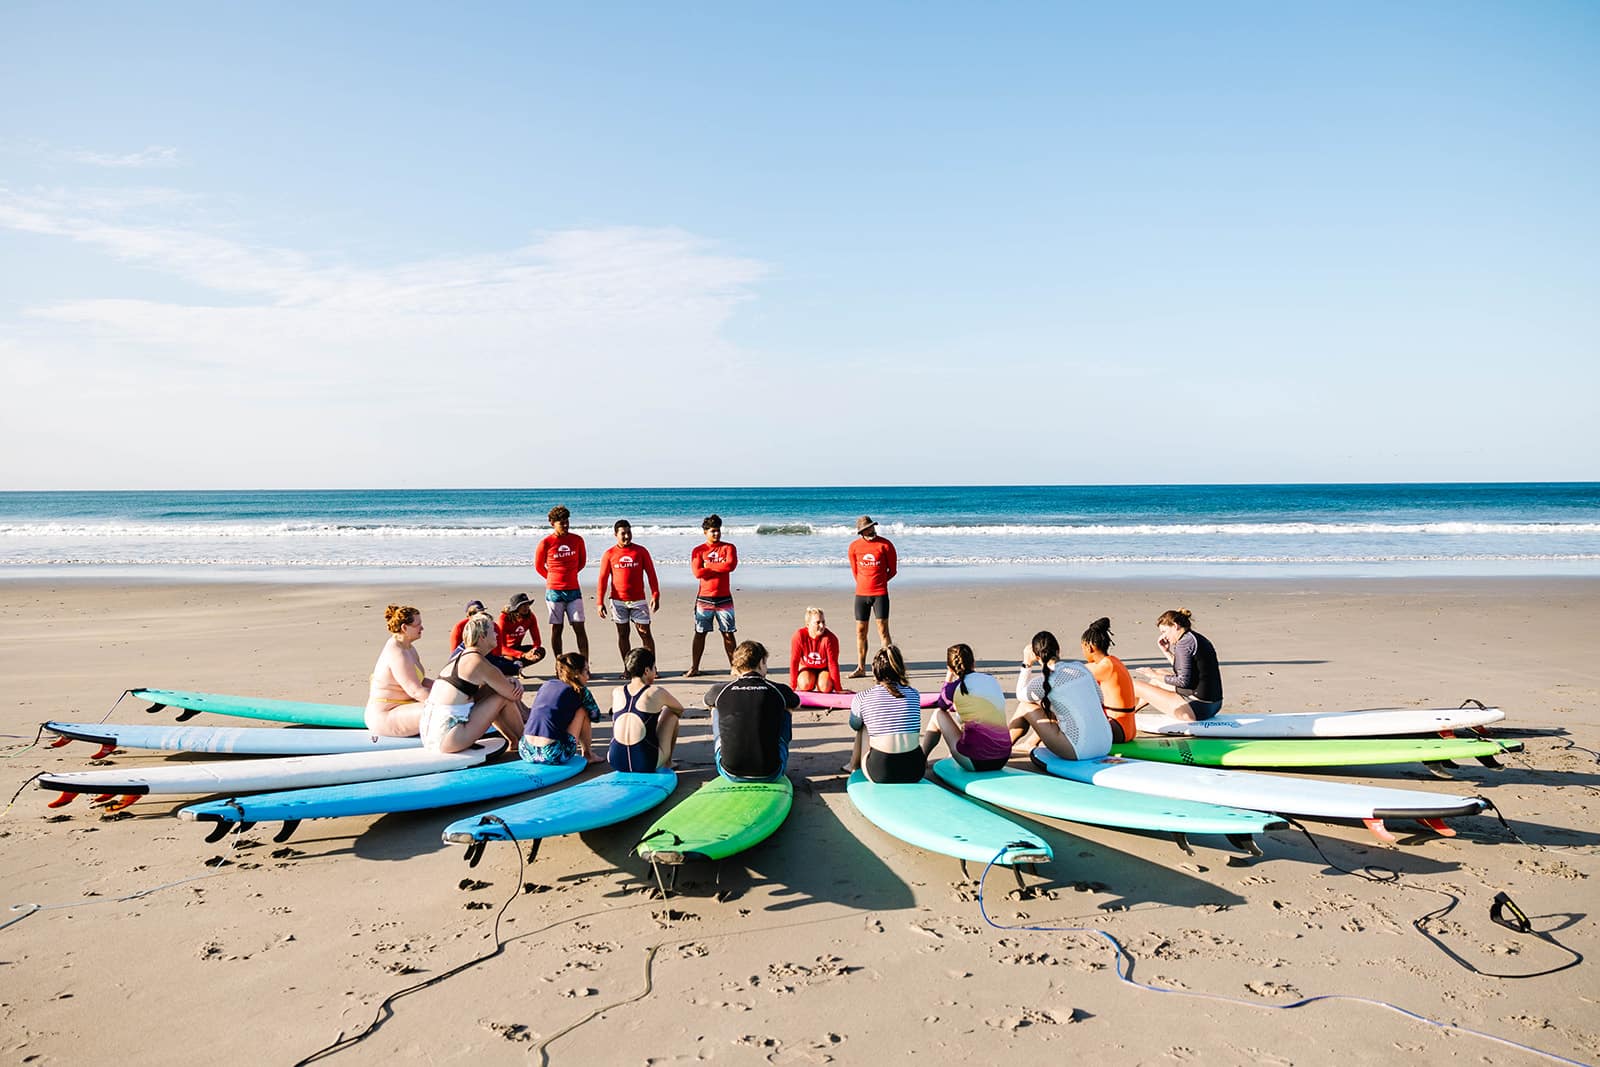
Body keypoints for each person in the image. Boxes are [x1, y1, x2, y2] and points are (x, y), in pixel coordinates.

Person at [419, 612, 527, 753]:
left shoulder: (461, 656)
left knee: (494, 691)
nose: (496, 634)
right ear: (482, 636)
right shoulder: (477, 661)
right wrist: (514, 683)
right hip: (447, 737)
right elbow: (513, 695)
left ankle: (514, 742)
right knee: (503, 697)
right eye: (492, 631)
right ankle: (527, 742)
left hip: (431, 735)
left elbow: (485, 693)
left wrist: (507, 681)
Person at [1010, 631, 1113, 761]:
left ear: (1036, 657)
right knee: (1056, 704)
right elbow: (1100, 699)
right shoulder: (1081, 668)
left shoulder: (1046, 681)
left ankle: (999, 750)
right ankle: (1028, 743)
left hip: (1079, 750)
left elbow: (1020, 695)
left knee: (1024, 706)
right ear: (1058, 650)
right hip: (1106, 744)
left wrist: (1026, 664)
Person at [710, 640, 798, 782]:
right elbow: (796, 703)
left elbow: (706, 701)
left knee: (715, 708)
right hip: (771, 772)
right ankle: (769, 754)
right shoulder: (779, 689)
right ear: (761, 662)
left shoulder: (720, 689)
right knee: (786, 708)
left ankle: (732, 753)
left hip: (730, 772)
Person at [922, 643, 1013, 771]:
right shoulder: (990, 679)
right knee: (971, 719)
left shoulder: (953, 688)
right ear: (973, 663)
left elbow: (942, 705)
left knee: (938, 714)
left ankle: (921, 759)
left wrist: (948, 678)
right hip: (1003, 758)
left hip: (975, 762)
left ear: (950, 668)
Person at [845, 645, 925, 783]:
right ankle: (853, 765)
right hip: (916, 770)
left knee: (863, 725)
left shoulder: (863, 697)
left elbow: (854, 725)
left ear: (874, 670)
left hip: (881, 772)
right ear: (900, 669)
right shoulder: (914, 694)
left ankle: (853, 765)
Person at [1131, 609, 1224, 722]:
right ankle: (1132, 712)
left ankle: (1123, 716)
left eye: (1164, 631)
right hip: (1214, 705)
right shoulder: (1193, 638)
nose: (1164, 636)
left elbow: (1183, 681)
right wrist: (1166, 651)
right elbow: (1183, 669)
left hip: (1196, 709)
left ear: (1175, 626)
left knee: (1136, 685)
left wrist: (1153, 674)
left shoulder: (1183, 645)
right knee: (1159, 675)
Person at [606, 647, 685, 772]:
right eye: (654, 668)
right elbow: (679, 709)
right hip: (646, 763)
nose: (655, 672)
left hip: (616, 761)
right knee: (671, 714)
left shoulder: (617, 692)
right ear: (647, 670)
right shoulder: (656, 692)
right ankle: (668, 763)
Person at [519, 652, 605, 765]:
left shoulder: (547, 685)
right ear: (576, 674)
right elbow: (595, 716)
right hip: (552, 753)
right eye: (586, 671)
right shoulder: (580, 691)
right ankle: (588, 754)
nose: (588, 676)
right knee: (582, 711)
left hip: (525, 750)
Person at [595, 519, 660, 666]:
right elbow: (603, 579)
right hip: (618, 601)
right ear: (615, 535)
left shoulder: (641, 551)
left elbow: (651, 574)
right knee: (623, 634)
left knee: (645, 633)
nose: (627, 536)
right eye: (623, 533)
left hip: (638, 600)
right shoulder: (609, 554)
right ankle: (628, 668)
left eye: (629, 533)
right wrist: (599, 602)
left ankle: (651, 667)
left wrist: (655, 595)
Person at [365, 604, 431, 737]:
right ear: (404, 628)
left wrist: (449, 688)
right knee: (440, 710)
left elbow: (421, 681)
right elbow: (415, 691)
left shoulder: (408, 648)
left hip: (404, 708)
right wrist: (447, 701)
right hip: (386, 715)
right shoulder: (397, 652)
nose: (422, 628)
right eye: (418, 625)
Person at [535, 505, 588, 661]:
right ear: (552, 523)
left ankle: (585, 664)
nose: (565, 525)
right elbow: (539, 566)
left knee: (579, 627)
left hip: (573, 590)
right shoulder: (546, 543)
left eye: (567, 522)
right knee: (557, 628)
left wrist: (570, 575)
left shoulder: (577, 540)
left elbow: (582, 562)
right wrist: (553, 578)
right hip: (554, 592)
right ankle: (559, 664)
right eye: (561, 523)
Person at [687, 514, 738, 677]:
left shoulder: (729, 548)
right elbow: (697, 573)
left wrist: (708, 566)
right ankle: (695, 667)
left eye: (718, 530)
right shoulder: (698, 550)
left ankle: (735, 667)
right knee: (700, 633)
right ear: (705, 532)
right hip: (704, 598)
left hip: (724, 598)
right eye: (713, 531)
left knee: (728, 633)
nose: (716, 534)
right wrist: (717, 566)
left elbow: (730, 566)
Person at [847, 515, 897, 678]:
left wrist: (879, 582)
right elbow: (855, 571)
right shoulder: (854, 547)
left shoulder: (886, 545)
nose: (870, 530)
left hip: (880, 594)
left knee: (883, 630)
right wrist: (865, 584)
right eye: (866, 529)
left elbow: (892, 570)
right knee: (860, 631)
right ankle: (861, 667)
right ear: (861, 532)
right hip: (861, 595)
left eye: (871, 527)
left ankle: (888, 668)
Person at [1081, 617, 1138, 742]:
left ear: (1089, 647)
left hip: (1117, 728)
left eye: (1082, 648)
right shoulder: (1113, 661)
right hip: (1126, 728)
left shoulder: (1105, 667)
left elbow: (1074, 672)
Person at [789, 606, 842, 693]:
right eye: (818, 622)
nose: (822, 626)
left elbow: (833, 664)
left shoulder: (830, 639)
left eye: (823, 622)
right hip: (807, 667)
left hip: (824, 668)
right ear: (808, 625)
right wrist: (792, 687)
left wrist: (838, 689)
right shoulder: (799, 636)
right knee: (805, 684)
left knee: (825, 686)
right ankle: (811, 680)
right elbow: (794, 661)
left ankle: (820, 681)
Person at [495, 592, 547, 672]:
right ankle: (510, 669)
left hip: (517, 648)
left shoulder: (531, 617)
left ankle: (518, 667)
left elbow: (537, 640)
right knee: (510, 658)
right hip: (503, 652)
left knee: (540, 652)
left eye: (527, 604)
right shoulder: (504, 619)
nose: (526, 607)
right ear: (516, 608)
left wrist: (534, 650)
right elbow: (501, 648)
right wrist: (523, 655)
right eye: (523, 605)